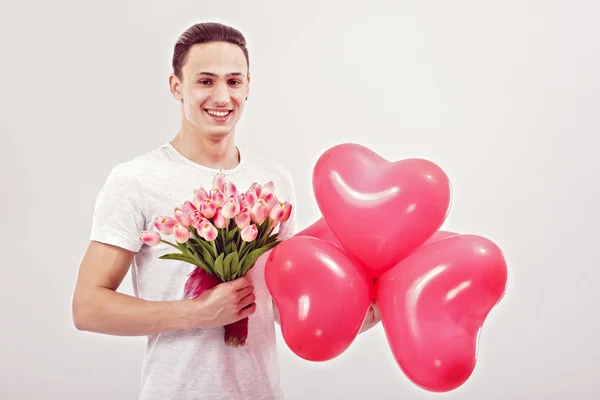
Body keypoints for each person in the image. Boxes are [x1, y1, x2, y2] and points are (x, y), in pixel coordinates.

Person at [72, 21, 380, 400]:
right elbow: (87, 307)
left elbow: (277, 308)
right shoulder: (135, 180)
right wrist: (198, 313)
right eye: (205, 81)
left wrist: (358, 315)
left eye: (234, 81)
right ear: (176, 87)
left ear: (248, 87)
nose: (221, 96)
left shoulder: (274, 181)